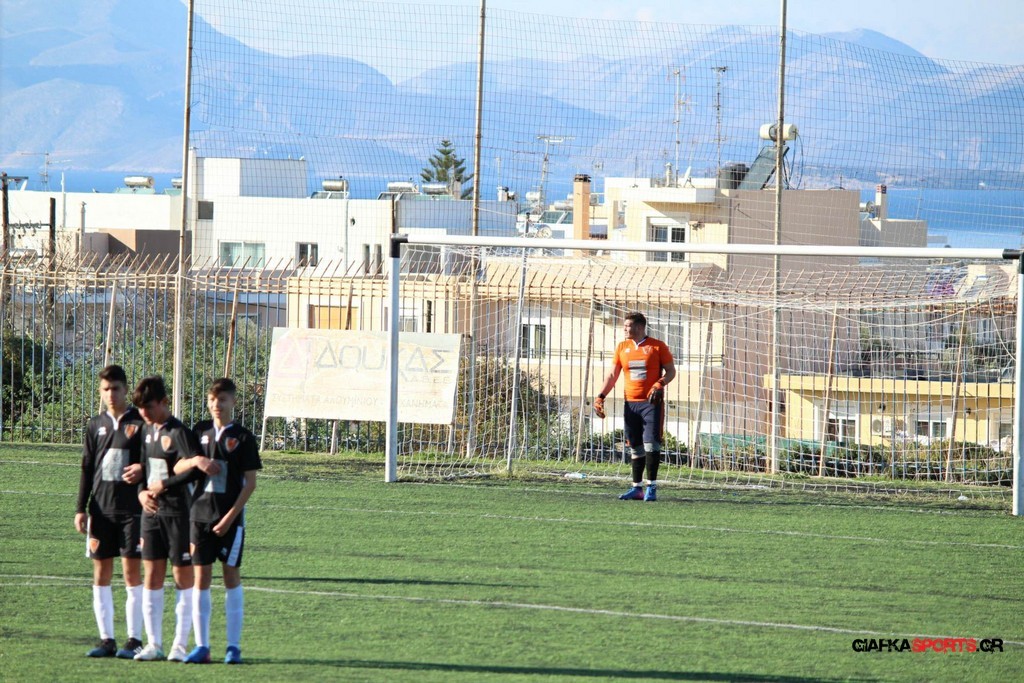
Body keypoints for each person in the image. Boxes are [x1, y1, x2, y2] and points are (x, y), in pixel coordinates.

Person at [176, 378, 261, 665]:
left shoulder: (243, 438)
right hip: (199, 517)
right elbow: (178, 466)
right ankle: (202, 646)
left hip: (230, 521)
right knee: (200, 579)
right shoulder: (199, 431)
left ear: (233, 402)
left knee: (230, 576)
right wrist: (195, 462)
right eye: (212, 399)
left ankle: (233, 647)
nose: (217, 404)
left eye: (222, 399)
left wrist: (228, 518)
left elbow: (250, 484)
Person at [131, 375, 212, 662]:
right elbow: (143, 469)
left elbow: (195, 470)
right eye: (140, 408)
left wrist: (164, 485)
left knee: (182, 577)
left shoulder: (179, 432)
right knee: (151, 576)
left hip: (178, 513)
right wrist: (142, 493)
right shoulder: (146, 430)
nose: (144, 413)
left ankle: (179, 645)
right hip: (151, 514)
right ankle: (154, 644)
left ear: (164, 402)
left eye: (149, 407)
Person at [75, 364, 146, 658]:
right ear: (100, 392)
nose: (111, 394)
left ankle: (134, 640)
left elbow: (155, 459)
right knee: (101, 573)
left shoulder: (140, 423)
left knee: (131, 573)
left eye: (116, 388)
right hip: (101, 511)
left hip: (132, 512)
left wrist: (142, 469)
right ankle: (107, 640)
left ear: (126, 389)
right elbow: (87, 467)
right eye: (106, 389)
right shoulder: (95, 425)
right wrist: (80, 509)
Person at [594, 312, 676, 501]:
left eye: (627, 326)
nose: (624, 329)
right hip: (630, 404)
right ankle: (637, 488)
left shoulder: (657, 346)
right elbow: (612, 375)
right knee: (635, 446)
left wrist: (659, 384)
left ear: (639, 327)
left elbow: (671, 371)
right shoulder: (622, 347)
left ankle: (651, 487)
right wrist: (600, 396)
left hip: (651, 404)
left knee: (651, 444)